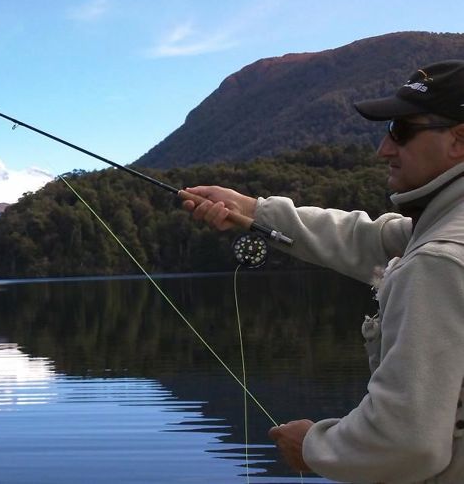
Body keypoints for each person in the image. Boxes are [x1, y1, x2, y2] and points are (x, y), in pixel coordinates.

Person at [182, 60, 464, 482]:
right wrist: (254, 210)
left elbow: (408, 444)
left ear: (458, 140)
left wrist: (314, 446)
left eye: (401, 131)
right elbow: (370, 240)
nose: (383, 149)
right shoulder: (443, 230)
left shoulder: (437, 262)